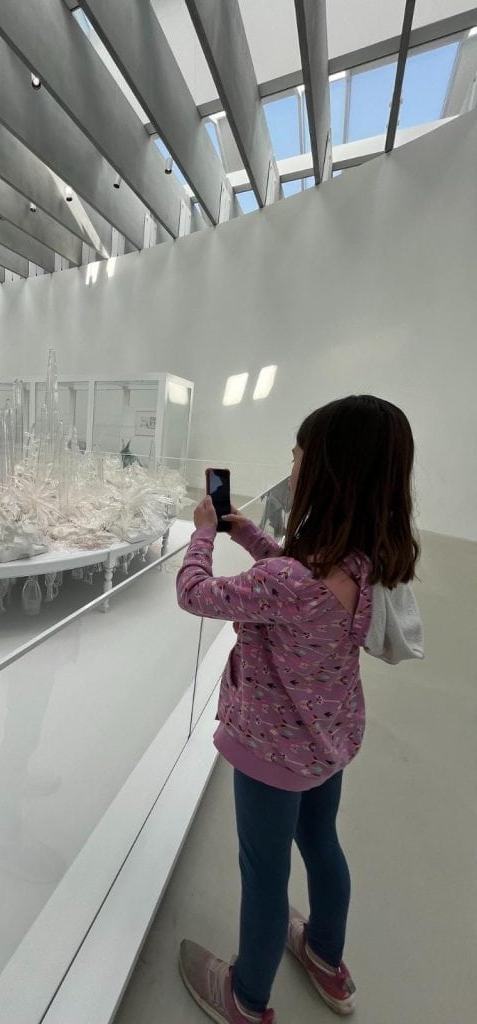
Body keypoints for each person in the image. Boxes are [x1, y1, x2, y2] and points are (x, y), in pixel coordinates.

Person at [175, 395, 423, 1024]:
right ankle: (326, 958)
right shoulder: (363, 561)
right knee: (322, 844)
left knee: (263, 874)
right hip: (329, 740)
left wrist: (204, 532)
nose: (291, 462)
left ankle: (246, 998)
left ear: (328, 474)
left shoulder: (290, 583)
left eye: (299, 455)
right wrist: (247, 531)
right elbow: (289, 580)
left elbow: (195, 593)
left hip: (270, 753)